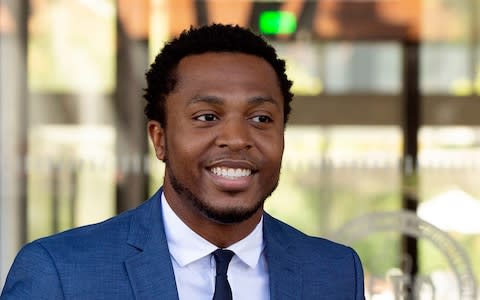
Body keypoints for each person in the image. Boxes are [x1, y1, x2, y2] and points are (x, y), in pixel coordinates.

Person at [1, 24, 365, 299]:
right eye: (207, 117)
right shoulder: (59, 273)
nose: (237, 138)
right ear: (160, 139)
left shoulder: (334, 271)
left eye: (261, 119)